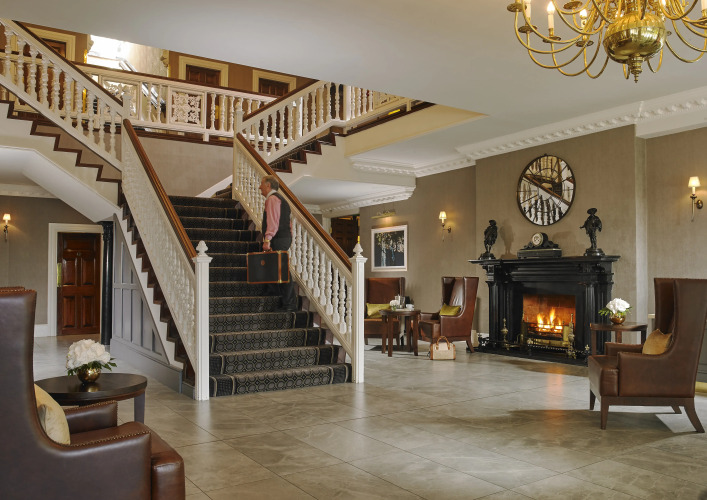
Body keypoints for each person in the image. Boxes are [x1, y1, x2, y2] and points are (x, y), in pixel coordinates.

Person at [259, 175, 297, 311]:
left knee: (282, 269)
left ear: (268, 185)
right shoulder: (280, 199)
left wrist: (267, 239)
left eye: (261, 184)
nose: (259, 187)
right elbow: (288, 223)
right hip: (283, 237)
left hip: (278, 238)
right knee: (276, 267)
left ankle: (290, 304)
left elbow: (273, 222)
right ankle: (273, 292)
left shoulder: (272, 199)